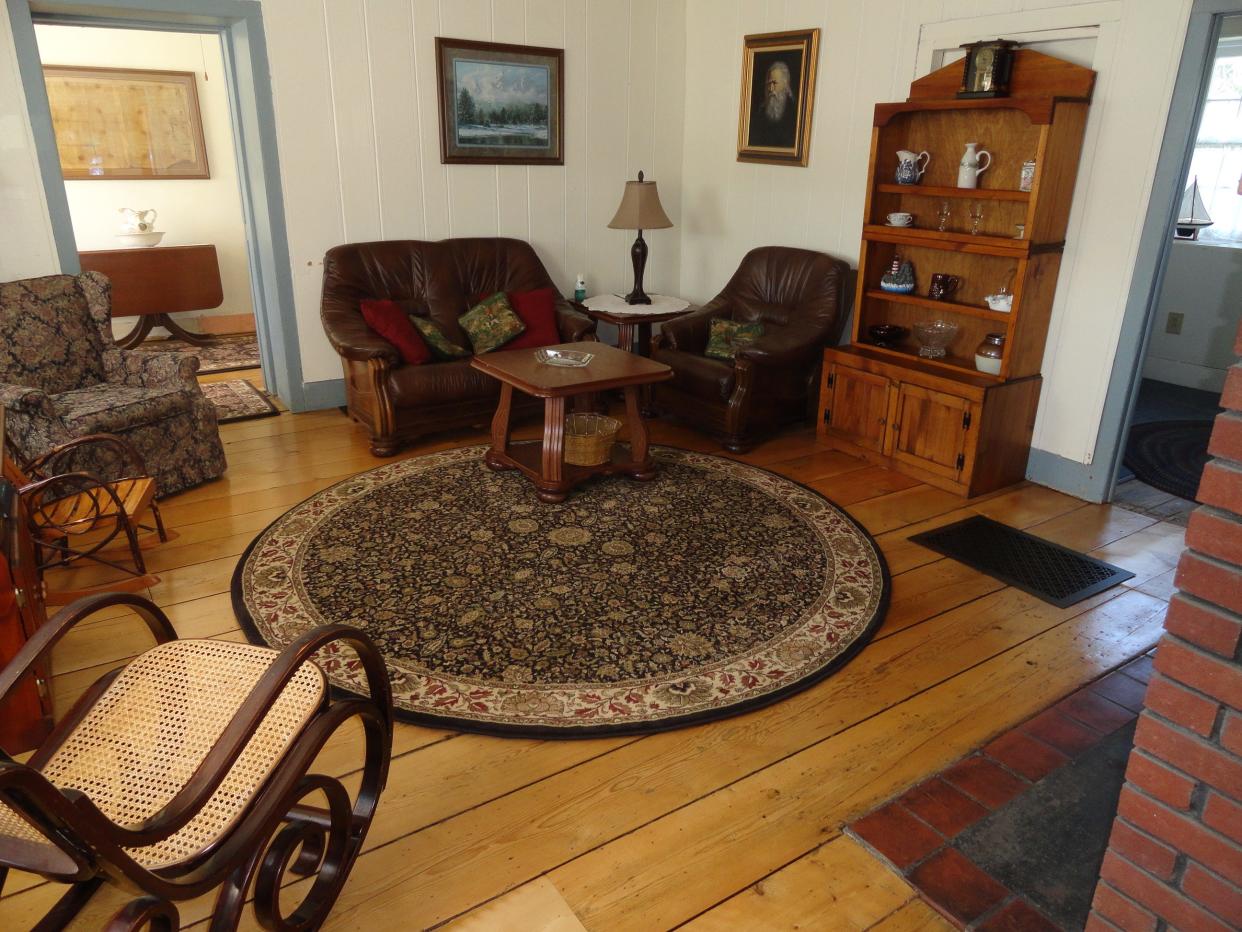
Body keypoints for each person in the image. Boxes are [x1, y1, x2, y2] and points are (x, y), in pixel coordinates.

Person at [748, 59, 799, 149]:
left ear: (785, 84)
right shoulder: (761, 112)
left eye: (774, 83)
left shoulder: (795, 111)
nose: (771, 89)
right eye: (769, 83)